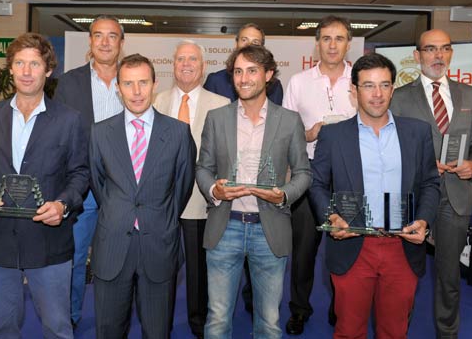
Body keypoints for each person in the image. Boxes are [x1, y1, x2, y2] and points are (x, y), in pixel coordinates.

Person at [0, 32, 89, 339]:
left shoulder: (69, 120)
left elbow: (80, 174)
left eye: (35, 63)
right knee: (2, 328)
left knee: (58, 328)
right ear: (10, 68)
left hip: (49, 241)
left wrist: (62, 204)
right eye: (20, 63)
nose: (27, 71)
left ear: (48, 70)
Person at [311, 52, 440, 338]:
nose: (377, 94)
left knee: (395, 331)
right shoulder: (333, 135)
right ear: (354, 90)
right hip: (353, 247)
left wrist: (424, 220)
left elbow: (431, 182)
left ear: (393, 88)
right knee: (349, 330)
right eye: (368, 85)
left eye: (384, 85)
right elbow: (316, 184)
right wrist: (331, 216)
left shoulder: (417, 133)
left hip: (401, 247)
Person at [197, 45, 312, 338]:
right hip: (225, 227)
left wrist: (284, 195)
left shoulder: (289, 121)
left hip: (269, 229)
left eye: (252, 70)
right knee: (218, 318)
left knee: (269, 321)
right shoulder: (216, 118)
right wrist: (214, 189)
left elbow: (303, 173)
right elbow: (203, 168)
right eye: (237, 71)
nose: (243, 78)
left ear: (269, 74)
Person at [390, 29, 472, 338]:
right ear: (417, 56)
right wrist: (420, 165)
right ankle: (396, 330)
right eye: (430, 49)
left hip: (455, 196)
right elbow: (389, 146)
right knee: (403, 274)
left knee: (449, 276)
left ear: (450, 54)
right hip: (414, 196)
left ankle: (447, 334)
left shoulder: (469, 94)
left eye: (444, 49)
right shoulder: (399, 97)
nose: (438, 55)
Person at [89, 53, 196, 339]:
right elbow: (100, 187)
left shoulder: (178, 133)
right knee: (109, 330)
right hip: (113, 245)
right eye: (128, 84)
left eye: (143, 83)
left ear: (154, 84)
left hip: (159, 244)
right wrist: (120, 213)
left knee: (158, 331)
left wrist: (161, 219)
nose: (136, 92)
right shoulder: (100, 133)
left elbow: (182, 187)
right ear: (118, 88)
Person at [281, 15, 357, 335]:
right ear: (317, 43)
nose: (332, 45)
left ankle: (342, 309)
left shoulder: (361, 79)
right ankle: (299, 309)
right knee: (304, 251)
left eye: (339, 38)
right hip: (310, 173)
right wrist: (308, 134)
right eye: (326, 38)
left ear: (348, 43)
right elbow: (285, 132)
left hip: (351, 175)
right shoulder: (298, 82)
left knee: (344, 248)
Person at [153, 40, 230, 339]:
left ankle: (198, 323)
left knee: (198, 270)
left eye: (193, 60)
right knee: (162, 267)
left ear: (203, 66)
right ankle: (161, 322)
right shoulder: (155, 101)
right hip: (161, 202)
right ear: (172, 65)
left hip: (202, 202)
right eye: (181, 59)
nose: (186, 64)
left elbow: (224, 156)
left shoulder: (220, 105)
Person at [54, 15, 125, 328]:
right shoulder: (69, 83)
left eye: (112, 36)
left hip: (123, 186)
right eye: (99, 35)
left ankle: (114, 319)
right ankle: (69, 317)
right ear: (91, 41)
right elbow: (57, 134)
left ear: (121, 43)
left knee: (118, 258)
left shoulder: (133, 79)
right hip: (82, 185)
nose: (105, 42)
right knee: (74, 255)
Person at [204, 23, 284, 105]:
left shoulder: (274, 86)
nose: (249, 45)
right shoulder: (215, 81)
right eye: (244, 40)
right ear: (236, 44)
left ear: (262, 48)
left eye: (255, 42)